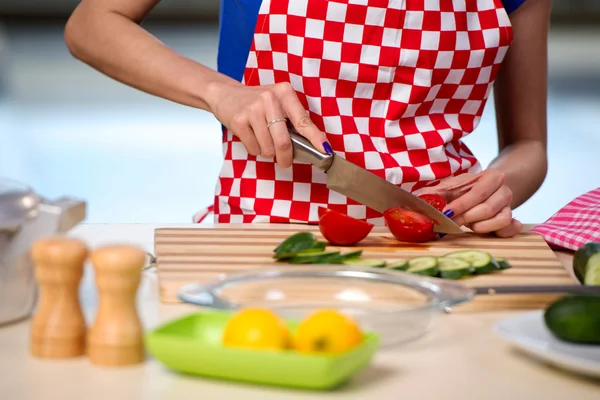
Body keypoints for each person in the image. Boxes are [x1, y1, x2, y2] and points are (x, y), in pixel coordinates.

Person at [64, 0, 550, 237]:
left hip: (436, 239)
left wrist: (497, 186)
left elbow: (530, 146)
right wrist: (222, 93)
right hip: (264, 235)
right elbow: (92, 23)